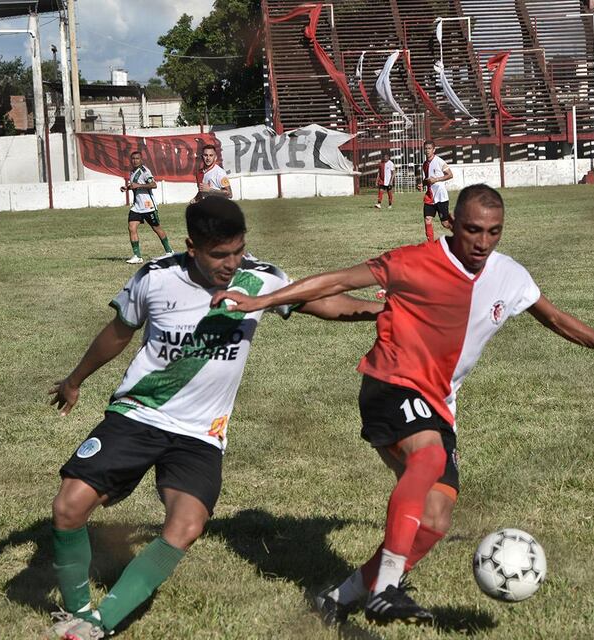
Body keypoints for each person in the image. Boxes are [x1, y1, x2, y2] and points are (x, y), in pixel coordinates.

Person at [213, 184, 594, 626]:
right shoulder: (414, 261)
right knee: (426, 457)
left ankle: (338, 596)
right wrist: (263, 300)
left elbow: (554, 317)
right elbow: (337, 279)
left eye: (494, 232)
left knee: (435, 518)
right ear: (451, 223)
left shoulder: (510, 275)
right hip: (390, 383)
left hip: (438, 401)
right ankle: (387, 588)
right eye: (473, 230)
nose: (482, 242)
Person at [46, 197, 380, 640]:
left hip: (201, 435)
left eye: (237, 251)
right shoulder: (155, 277)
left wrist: (385, 310)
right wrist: (75, 379)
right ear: (191, 247)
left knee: (186, 526)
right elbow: (118, 333)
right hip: (139, 414)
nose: (230, 263)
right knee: (69, 506)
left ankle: (99, 625)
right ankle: (77, 612)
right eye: (219, 255)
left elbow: (328, 304)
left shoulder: (259, 280)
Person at [121, 151, 172, 264]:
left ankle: (169, 251)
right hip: (137, 207)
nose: (135, 160)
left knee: (157, 228)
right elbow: (135, 185)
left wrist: (138, 186)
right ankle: (137, 256)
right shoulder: (132, 172)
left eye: (137, 158)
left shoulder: (145, 171)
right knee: (131, 227)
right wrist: (127, 188)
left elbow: (154, 184)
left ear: (141, 159)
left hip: (148, 206)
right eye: (133, 158)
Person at [415, 141, 453, 241]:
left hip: (441, 196)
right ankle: (431, 246)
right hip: (429, 196)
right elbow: (427, 179)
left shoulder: (439, 161)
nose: (427, 150)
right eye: (426, 148)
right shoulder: (425, 164)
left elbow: (450, 175)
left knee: (445, 223)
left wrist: (436, 179)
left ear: (434, 150)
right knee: (427, 219)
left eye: (429, 148)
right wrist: (422, 184)